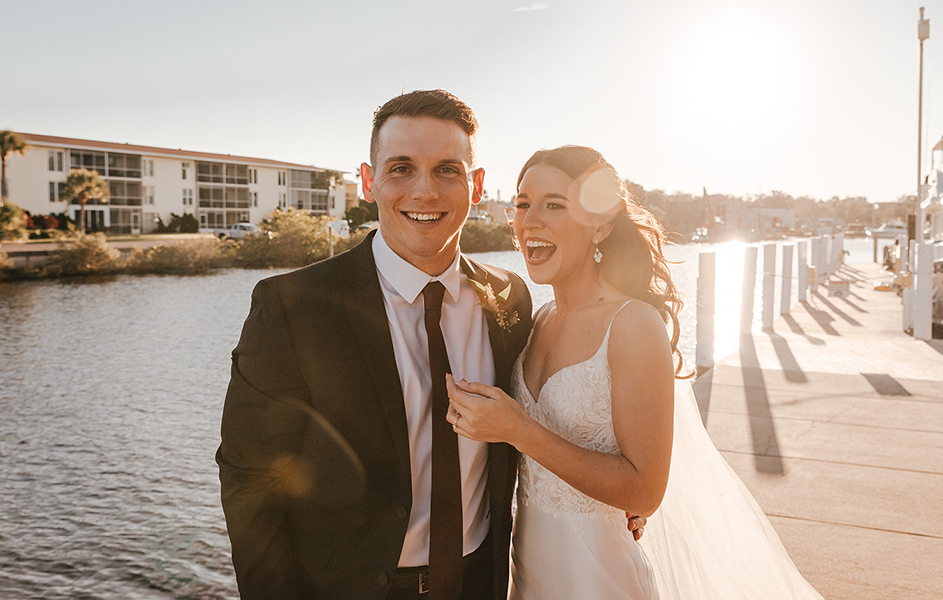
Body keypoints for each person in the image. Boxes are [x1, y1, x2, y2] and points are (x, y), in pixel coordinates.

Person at [216, 91, 643, 600]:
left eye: (447, 169)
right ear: (368, 182)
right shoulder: (292, 306)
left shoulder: (510, 298)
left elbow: (542, 412)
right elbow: (249, 479)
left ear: (476, 185)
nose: (425, 191)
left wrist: (620, 493)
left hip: (481, 583)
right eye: (401, 168)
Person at [446, 146, 826, 599]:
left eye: (555, 205)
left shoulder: (632, 325)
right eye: (523, 204)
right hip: (528, 572)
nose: (530, 222)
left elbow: (645, 493)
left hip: (599, 578)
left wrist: (518, 430)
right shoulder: (537, 318)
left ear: (601, 225)